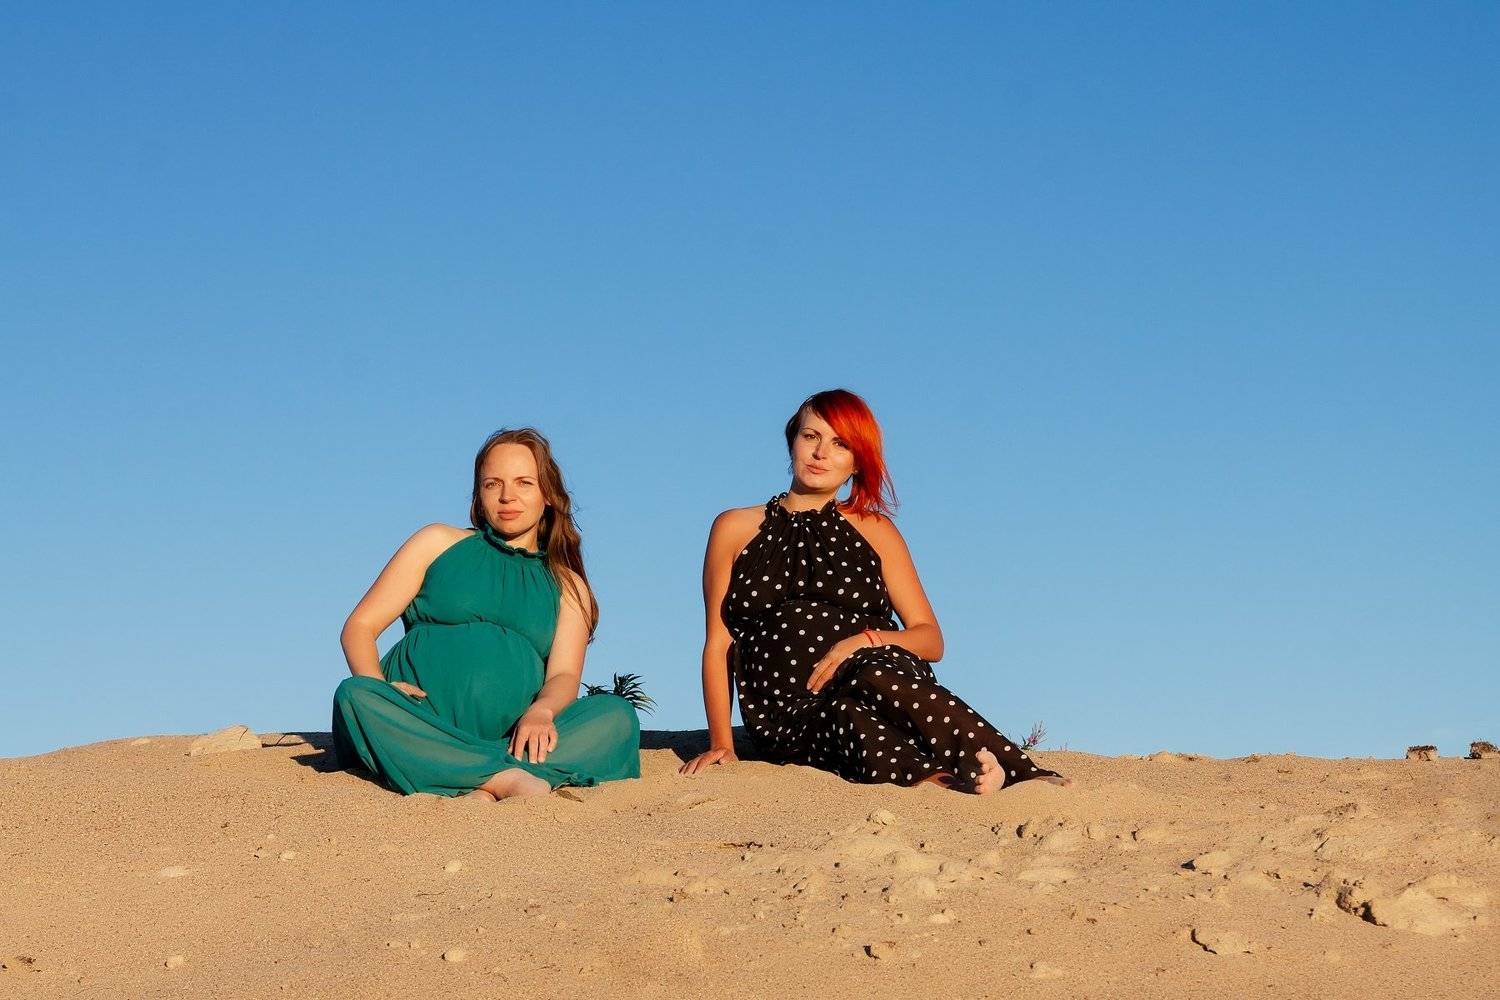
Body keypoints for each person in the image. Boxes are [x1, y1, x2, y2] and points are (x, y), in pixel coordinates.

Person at [680, 390, 1068, 793]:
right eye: (811, 436)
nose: (821, 453)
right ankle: (952, 783)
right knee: (845, 713)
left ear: (857, 462)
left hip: (883, 680)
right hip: (789, 713)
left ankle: (1018, 773)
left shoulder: (876, 530)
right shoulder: (734, 528)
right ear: (792, 439)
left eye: (840, 444)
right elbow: (719, 641)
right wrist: (722, 743)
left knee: (872, 674)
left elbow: (930, 639)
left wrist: (862, 642)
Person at [333, 428, 640, 800]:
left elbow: (563, 675)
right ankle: (501, 778)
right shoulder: (436, 542)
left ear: (548, 495)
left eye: (524, 483)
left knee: (616, 716)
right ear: (479, 495)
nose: (507, 496)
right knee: (354, 694)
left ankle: (468, 772)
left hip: (512, 737)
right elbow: (360, 626)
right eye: (493, 484)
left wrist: (543, 712)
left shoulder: (568, 586)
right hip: (418, 722)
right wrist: (379, 686)